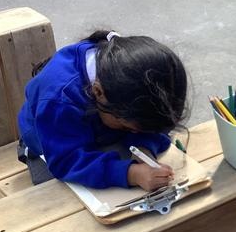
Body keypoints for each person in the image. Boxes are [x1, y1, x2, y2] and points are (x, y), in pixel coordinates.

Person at [17, 31, 190, 191]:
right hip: (50, 146)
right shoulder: (59, 100)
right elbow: (65, 162)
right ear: (98, 92)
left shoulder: (124, 80)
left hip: (104, 133)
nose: (137, 131)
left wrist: (145, 148)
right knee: (61, 200)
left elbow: (152, 127)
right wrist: (131, 174)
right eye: (128, 127)